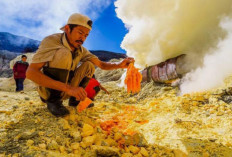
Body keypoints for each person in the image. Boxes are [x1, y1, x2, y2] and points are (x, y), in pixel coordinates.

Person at [26, 13, 134, 117]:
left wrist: (119, 64)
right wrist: (68, 88)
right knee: (64, 53)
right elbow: (31, 73)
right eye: (80, 33)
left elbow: (101, 65)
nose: (82, 38)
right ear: (68, 29)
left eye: (86, 35)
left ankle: (76, 100)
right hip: (48, 91)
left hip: (68, 90)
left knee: (89, 65)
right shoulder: (52, 41)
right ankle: (54, 101)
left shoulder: (81, 50)